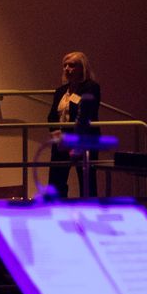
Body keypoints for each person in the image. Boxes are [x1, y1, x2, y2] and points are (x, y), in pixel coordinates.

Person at [47, 51, 100, 199]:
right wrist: (55, 133)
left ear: (82, 68)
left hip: (83, 141)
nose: (67, 69)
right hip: (61, 140)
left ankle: (88, 210)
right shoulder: (60, 91)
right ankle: (58, 209)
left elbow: (85, 113)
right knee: (56, 180)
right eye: (65, 65)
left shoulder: (91, 87)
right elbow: (52, 116)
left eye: (72, 65)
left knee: (86, 181)